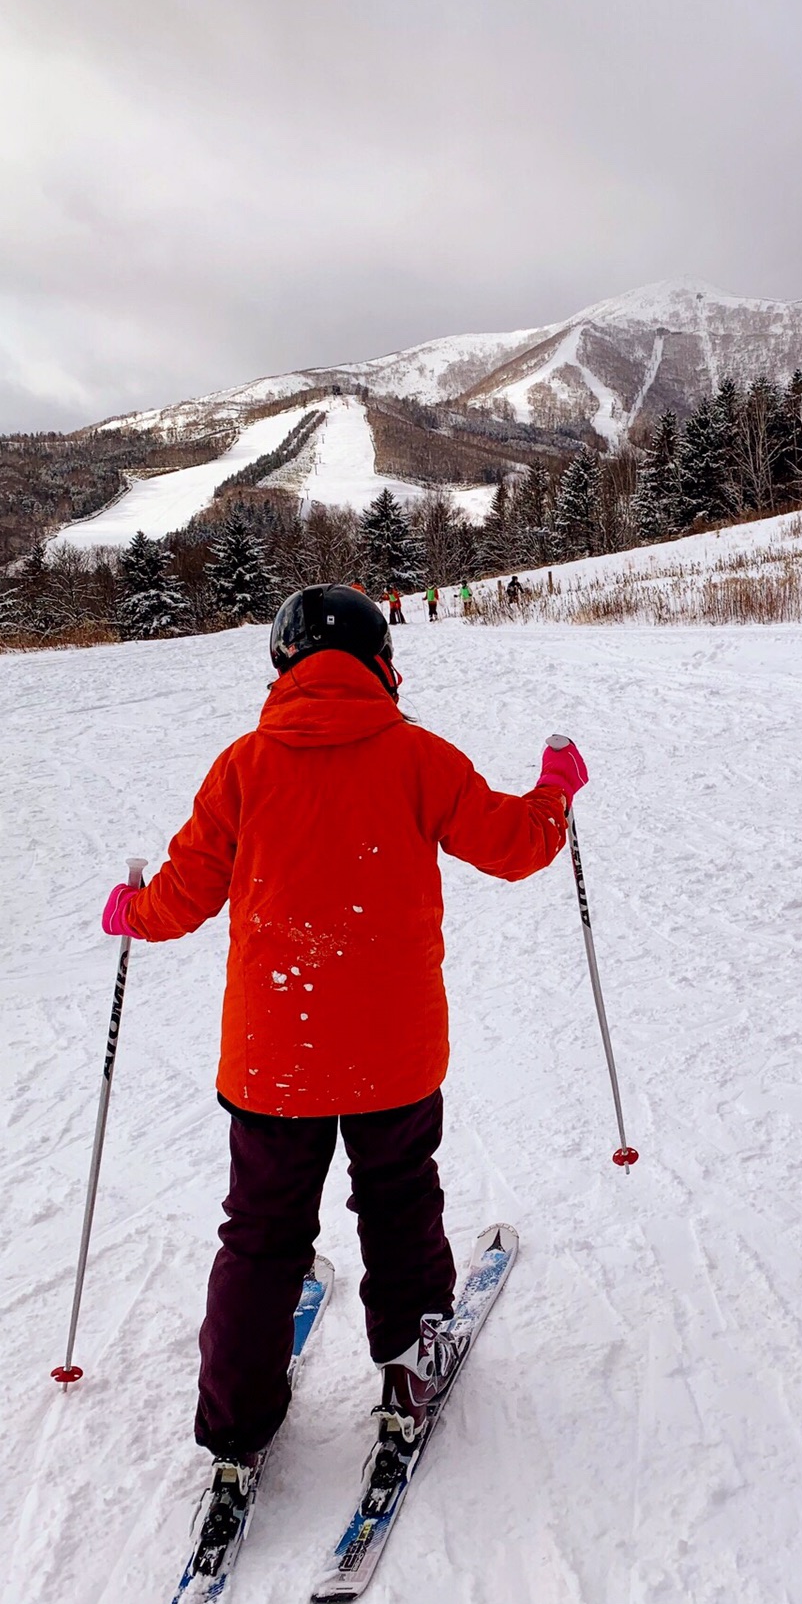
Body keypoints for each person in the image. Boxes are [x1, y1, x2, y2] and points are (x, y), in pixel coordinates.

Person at [99, 584, 587, 1530]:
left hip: (271, 1059)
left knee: (262, 1231)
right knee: (398, 1200)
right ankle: (407, 1371)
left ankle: (236, 1428)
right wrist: (558, 789)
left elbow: (182, 897)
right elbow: (519, 845)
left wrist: (132, 913)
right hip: (391, 1057)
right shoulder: (417, 756)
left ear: (285, 668)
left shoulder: (242, 767)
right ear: (379, 664)